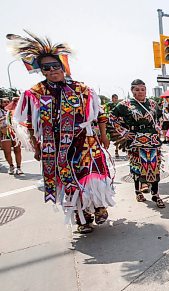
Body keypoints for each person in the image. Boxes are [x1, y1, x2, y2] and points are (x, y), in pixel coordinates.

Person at [8, 31, 114, 233]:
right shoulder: (35, 93)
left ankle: (99, 206)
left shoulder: (82, 89)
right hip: (55, 147)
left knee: (92, 175)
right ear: (42, 71)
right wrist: (37, 146)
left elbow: (99, 114)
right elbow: (30, 123)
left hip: (85, 142)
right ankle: (82, 217)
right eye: (46, 68)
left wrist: (103, 135)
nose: (52, 70)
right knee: (69, 181)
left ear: (63, 66)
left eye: (55, 66)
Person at [109, 79, 165, 208]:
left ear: (146, 90)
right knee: (137, 166)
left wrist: (158, 128)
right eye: (137, 89)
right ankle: (137, 191)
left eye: (143, 89)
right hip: (135, 140)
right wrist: (123, 132)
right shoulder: (125, 104)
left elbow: (161, 117)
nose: (140, 92)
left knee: (154, 166)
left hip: (152, 140)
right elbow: (111, 117)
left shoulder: (152, 103)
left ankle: (155, 194)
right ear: (132, 91)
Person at [1, 97, 24, 175]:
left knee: (17, 150)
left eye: (8, 102)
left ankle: (19, 167)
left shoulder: (15, 111)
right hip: (4, 134)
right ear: (1, 103)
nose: (6, 103)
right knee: (7, 152)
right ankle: (11, 166)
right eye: (4, 102)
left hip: (15, 132)